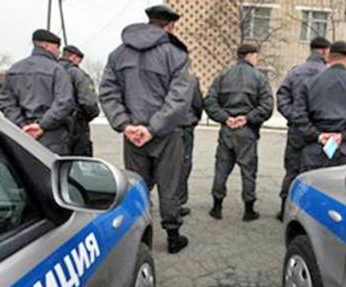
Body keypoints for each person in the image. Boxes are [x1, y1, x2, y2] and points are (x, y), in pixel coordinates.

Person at [99, 5, 193, 254]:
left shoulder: (118, 54)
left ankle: (139, 238)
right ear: (170, 26)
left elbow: (108, 92)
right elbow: (179, 98)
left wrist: (125, 125)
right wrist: (153, 128)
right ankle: (173, 236)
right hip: (166, 134)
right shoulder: (175, 54)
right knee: (169, 186)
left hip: (133, 135)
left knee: (137, 186)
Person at [205, 44, 273, 222]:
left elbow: (210, 102)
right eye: (256, 56)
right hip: (247, 131)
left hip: (227, 129)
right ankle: (248, 210)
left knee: (221, 168)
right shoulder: (259, 78)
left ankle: (217, 207)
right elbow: (267, 107)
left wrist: (225, 118)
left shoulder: (223, 75)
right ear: (250, 56)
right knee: (248, 170)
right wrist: (248, 118)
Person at [293, 41, 346, 170]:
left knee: (313, 181)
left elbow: (298, 116)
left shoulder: (310, 84)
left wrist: (317, 135)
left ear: (328, 58)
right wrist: (343, 136)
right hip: (345, 150)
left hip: (314, 149)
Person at [275, 36, 330, 221]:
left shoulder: (295, 72)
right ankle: (310, 215)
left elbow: (282, 97)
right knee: (317, 174)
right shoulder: (328, 74)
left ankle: (284, 210)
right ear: (325, 51)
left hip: (297, 131)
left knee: (292, 170)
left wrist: (295, 117)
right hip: (320, 133)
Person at [0, 29, 74, 155]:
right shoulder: (57, 70)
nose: (59, 52)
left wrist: (22, 125)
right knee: (53, 167)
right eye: (57, 48)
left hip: (22, 135)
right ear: (47, 46)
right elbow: (64, 102)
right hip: (52, 136)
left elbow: (6, 102)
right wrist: (42, 125)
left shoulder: (14, 70)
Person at [59, 45, 100, 156]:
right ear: (74, 57)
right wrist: (89, 116)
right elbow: (89, 102)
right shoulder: (77, 73)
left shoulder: (51, 70)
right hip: (76, 126)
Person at [179, 76, 204, 217]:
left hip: (164, 126)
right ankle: (177, 202)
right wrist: (194, 120)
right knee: (183, 163)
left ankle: (146, 197)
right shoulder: (191, 81)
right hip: (185, 125)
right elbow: (198, 104)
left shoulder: (161, 76)